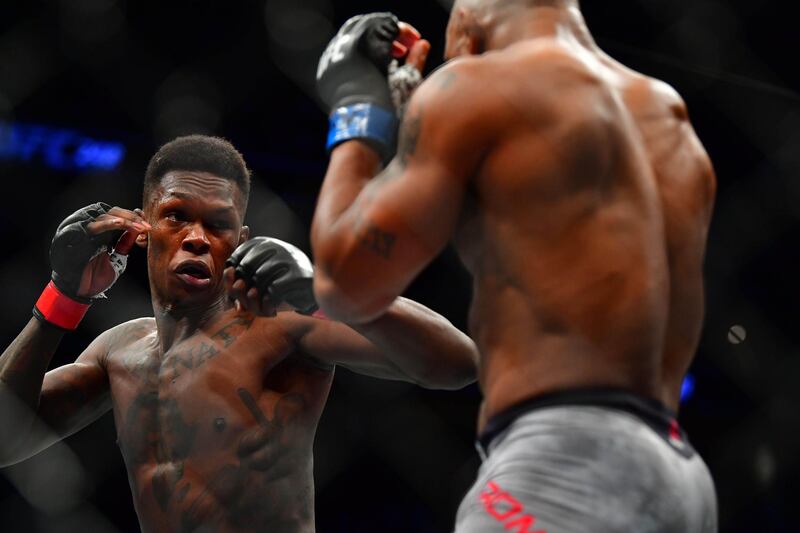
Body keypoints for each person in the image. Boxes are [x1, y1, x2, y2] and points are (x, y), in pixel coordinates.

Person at [311, 2, 717, 531]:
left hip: (563, 464)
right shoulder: (669, 116)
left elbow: (344, 285)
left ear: (471, 12)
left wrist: (357, 107)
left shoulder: (478, 86)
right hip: (678, 473)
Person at [0, 134, 478, 532]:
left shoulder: (280, 325)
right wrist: (64, 296)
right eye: (176, 216)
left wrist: (325, 292)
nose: (196, 237)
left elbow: (458, 363)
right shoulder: (119, 351)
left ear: (240, 241)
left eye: (218, 224)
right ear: (142, 229)